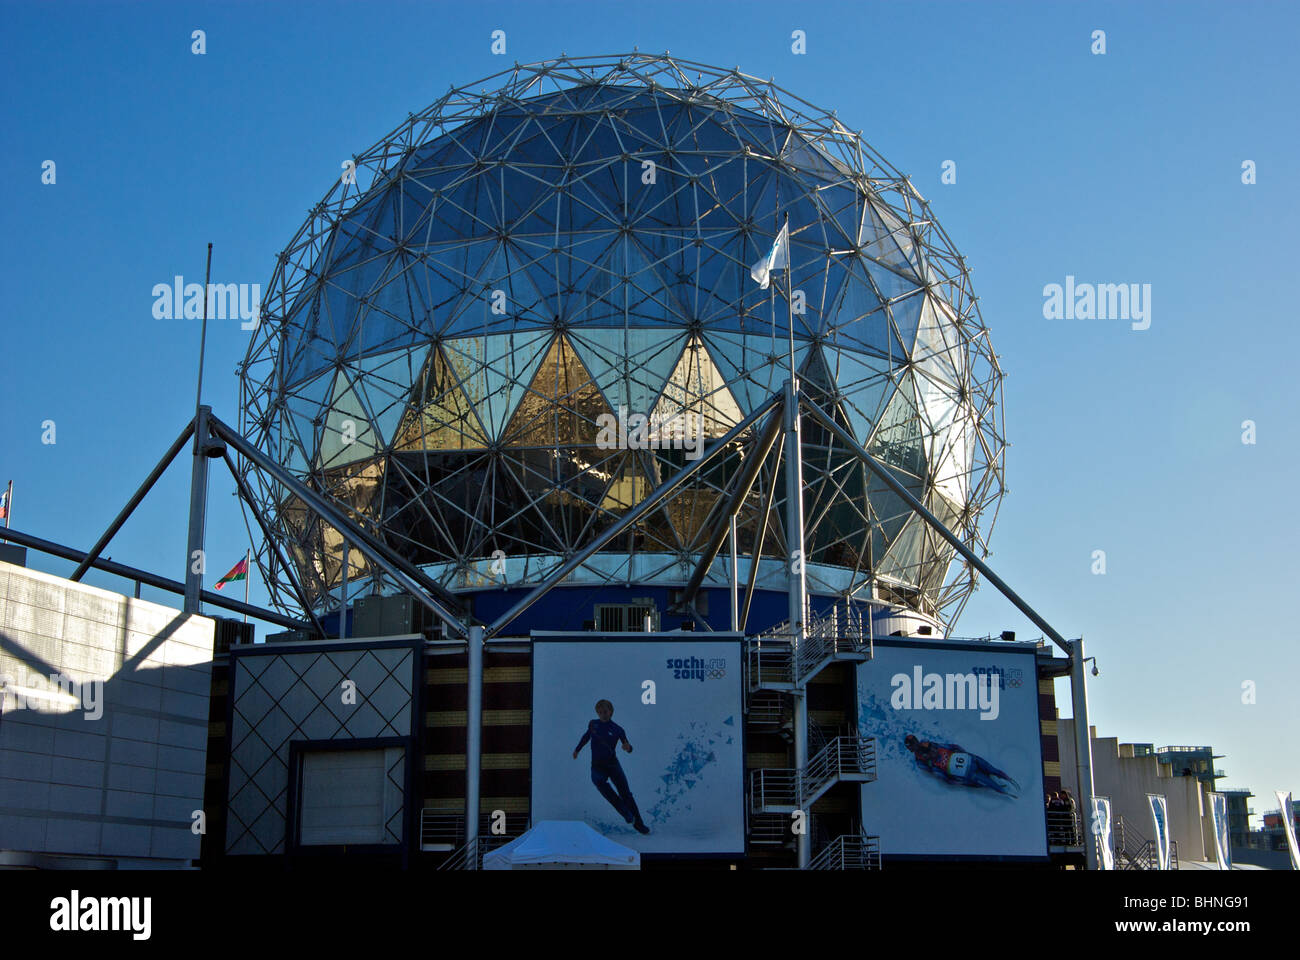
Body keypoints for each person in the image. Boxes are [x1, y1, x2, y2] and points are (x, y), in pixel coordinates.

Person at [573, 699, 650, 834]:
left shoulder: (618, 729)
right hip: (597, 766)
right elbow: (586, 737)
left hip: (613, 765)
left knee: (626, 794)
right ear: (597, 712)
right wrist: (577, 749)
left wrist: (628, 747)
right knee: (599, 782)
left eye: (606, 712)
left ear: (611, 712)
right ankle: (626, 813)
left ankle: (639, 824)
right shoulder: (593, 724)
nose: (603, 714)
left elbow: (628, 746)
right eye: (601, 712)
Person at [904, 733, 1021, 797]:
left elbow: (950, 747)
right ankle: (1004, 787)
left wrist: (963, 753)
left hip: (967, 762)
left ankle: (1006, 782)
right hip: (965, 769)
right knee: (987, 778)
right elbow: (941, 774)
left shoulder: (927, 745)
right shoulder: (921, 761)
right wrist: (957, 780)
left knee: (990, 771)